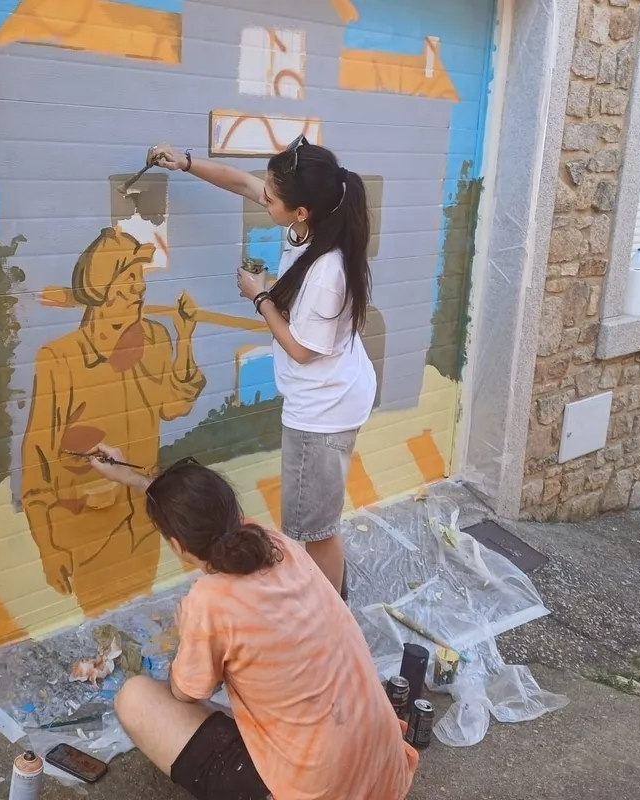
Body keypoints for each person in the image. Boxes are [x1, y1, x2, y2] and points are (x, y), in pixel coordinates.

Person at [87, 443, 418, 800]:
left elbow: (186, 692)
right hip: (384, 775)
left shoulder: (209, 601)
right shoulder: (278, 545)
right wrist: (136, 479)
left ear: (178, 547)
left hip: (318, 792)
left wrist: (188, 636)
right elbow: (206, 516)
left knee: (134, 699)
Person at [146, 138, 376, 599]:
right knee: (315, 519)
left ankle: (329, 613)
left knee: (314, 528)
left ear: (300, 211)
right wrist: (185, 163)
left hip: (323, 408)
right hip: (334, 391)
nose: (262, 197)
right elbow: (241, 183)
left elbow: (302, 350)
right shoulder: (309, 226)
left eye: (271, 197)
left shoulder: (326, 271)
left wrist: (260, 296)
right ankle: (328, 600)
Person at [21, 228, 206, 616]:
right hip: (89, 530)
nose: (140, 288)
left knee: (138, 616)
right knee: (101, 625)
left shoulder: (154, 338)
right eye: (130, 277)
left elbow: (175, 404)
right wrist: (48, 546)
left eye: (141, 277)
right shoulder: (60, 359)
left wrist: (185, 337)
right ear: (102, 287)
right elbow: (38, 457)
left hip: (144, 520)